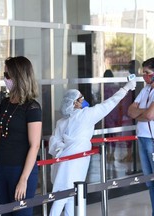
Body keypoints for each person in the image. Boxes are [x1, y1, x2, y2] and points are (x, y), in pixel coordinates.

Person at [48, 78, 136, 216]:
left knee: (70, 195)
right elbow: (109, 103)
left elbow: (54, 141)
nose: (83, 100)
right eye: (80, 98)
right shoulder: (86, 116)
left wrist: (62, 147)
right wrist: (126, 88)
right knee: (64, 195)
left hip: (67, 162)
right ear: (74, 103)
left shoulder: (63, 121)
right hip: (74, 162)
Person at [0, 56, 42, 216]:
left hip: (21, 170)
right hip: (1, 170)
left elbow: (34, 145)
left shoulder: (32, 107)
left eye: (8, 75)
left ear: (19, 77)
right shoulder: (4, 103)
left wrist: (23, 179)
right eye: (5, 74)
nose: (5, 79)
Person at [128, 57, 154, 216]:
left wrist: (142, 113)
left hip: (152, 139)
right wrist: (143, 113)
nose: (144, 76)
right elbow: (130, 111)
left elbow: (150, 115)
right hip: (143, 138)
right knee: (149, 181)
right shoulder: (145, 90)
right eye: (143, 73)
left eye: (147, 73)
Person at [103, 69, 120, 161]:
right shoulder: (115, 87)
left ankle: (108, 153)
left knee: (106, 135)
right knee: (113, 135)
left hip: (106, 114)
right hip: (114, 113)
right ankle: (112, 154)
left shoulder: (103, 87)